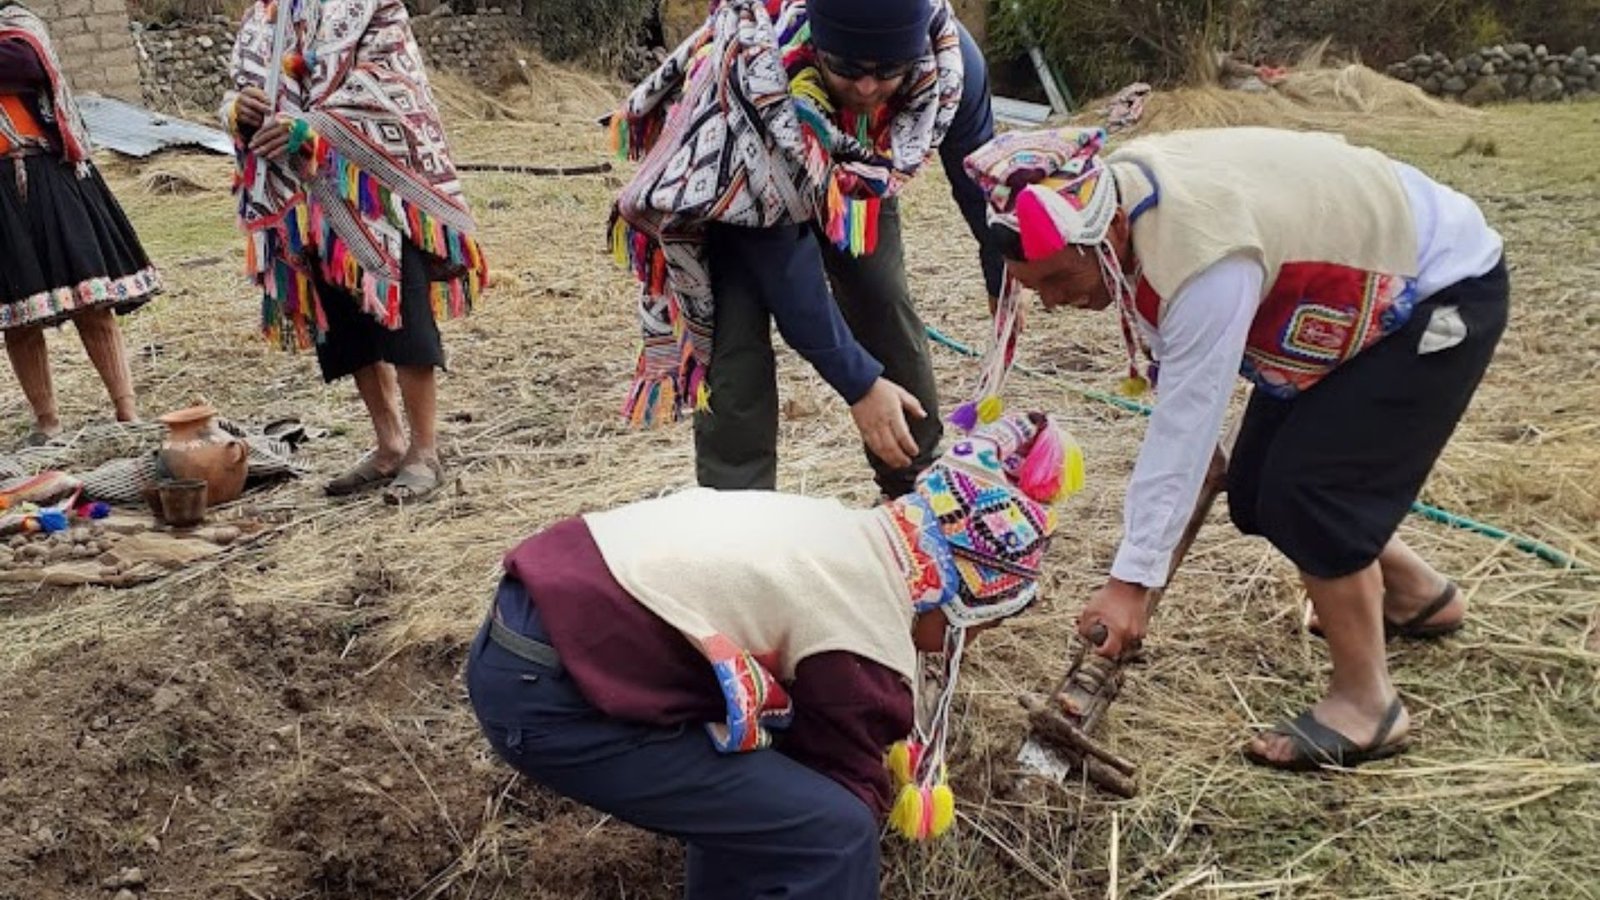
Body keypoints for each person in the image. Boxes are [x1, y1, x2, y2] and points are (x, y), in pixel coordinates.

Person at [967, 126, 1507, 771]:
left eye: (1058, 279)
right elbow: (1193, 422)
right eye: (1034, 288)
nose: (1053, 302)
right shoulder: (1124, 212)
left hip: (1436, 286)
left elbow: (1185, 430)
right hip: (1338, 287)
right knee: (1254, 492)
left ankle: (1369, 705)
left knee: (1310, 494)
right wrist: (1190, 492)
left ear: (1102, 237)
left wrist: (1131, 584)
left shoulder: (1201, 257)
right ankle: (1419, 595)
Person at [467, 412, 1079, 899]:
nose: (967, 647)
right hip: (550, 696)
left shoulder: (846, 535)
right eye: (978, 628)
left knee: (767, 785)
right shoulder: (864, 628)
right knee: (832, 834)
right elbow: (847, 782)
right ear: (956, 596)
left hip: (534, 632)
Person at [610, 0, 1003, 497]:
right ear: (817, 42)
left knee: (882, 298)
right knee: (736, 350)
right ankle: (738, 522)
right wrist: (859, 383)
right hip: (737, 175)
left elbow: (981, 181)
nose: (866, 88)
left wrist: (1002, 276)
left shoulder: (951, 65)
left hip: (851, 174)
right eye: (846, 68)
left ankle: (916, 490)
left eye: (888, 71)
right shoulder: (756, 63)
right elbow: (781, 262)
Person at [220, 0, 487, 503]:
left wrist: (313, 126)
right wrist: (240, 111)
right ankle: (389, 444)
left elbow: (389, 85)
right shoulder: (263, 19)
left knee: (400, 312)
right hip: (306, 194)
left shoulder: (372, 6)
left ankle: (425, 451)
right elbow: (240, 86)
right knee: (344, 316)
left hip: (373, 186)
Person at [1, 1, 158, 445]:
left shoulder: (17, 22)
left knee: (93, 299)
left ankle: (126, 410)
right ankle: (47, 422)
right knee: (18, 314)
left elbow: (24, 64)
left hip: (49, 171)